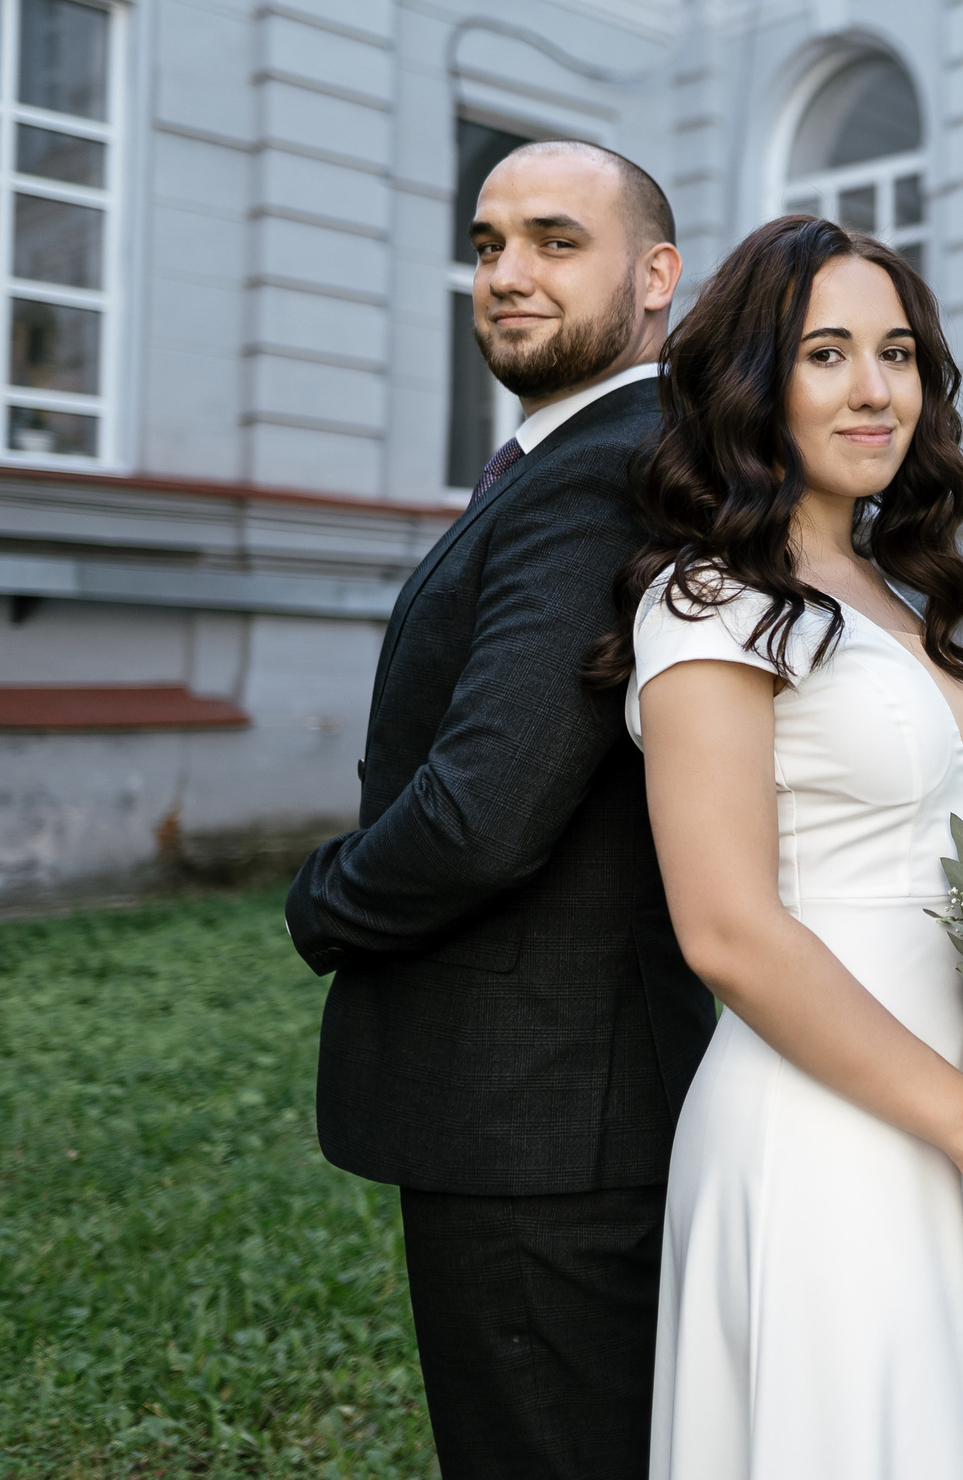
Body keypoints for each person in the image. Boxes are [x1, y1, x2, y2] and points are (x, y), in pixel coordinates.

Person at [582, 213, 963, 1479]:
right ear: (756, 385)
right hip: (818, 1132)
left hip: (946, 1102)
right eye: (826, 354)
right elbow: (729, 932)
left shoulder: (887, 592)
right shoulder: (708, 606)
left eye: (899, 352)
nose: (876, 389)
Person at [284, 141, 712, 1480]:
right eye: (485, 244)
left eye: (552, 240)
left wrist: (325, 898)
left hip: (542, 1115)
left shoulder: (605, 467)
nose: (507, 274)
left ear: (655, 277)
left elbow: (484, 807)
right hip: (567, 1095)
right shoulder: (576, 455)